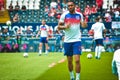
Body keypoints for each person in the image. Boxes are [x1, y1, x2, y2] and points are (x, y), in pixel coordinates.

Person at [58, 1, 87, 80]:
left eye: (71, 5)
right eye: (69, 6)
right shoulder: (64, 15)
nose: (70, 7)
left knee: (77, 60)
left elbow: (83, 25)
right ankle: (71, 76)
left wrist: (84, 24)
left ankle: (78, 78)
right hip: (67, 41)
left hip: (77, 40)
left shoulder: (79, 15)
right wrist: (65, 26)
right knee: (70, 61)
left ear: (75, 6)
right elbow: (58, 27)